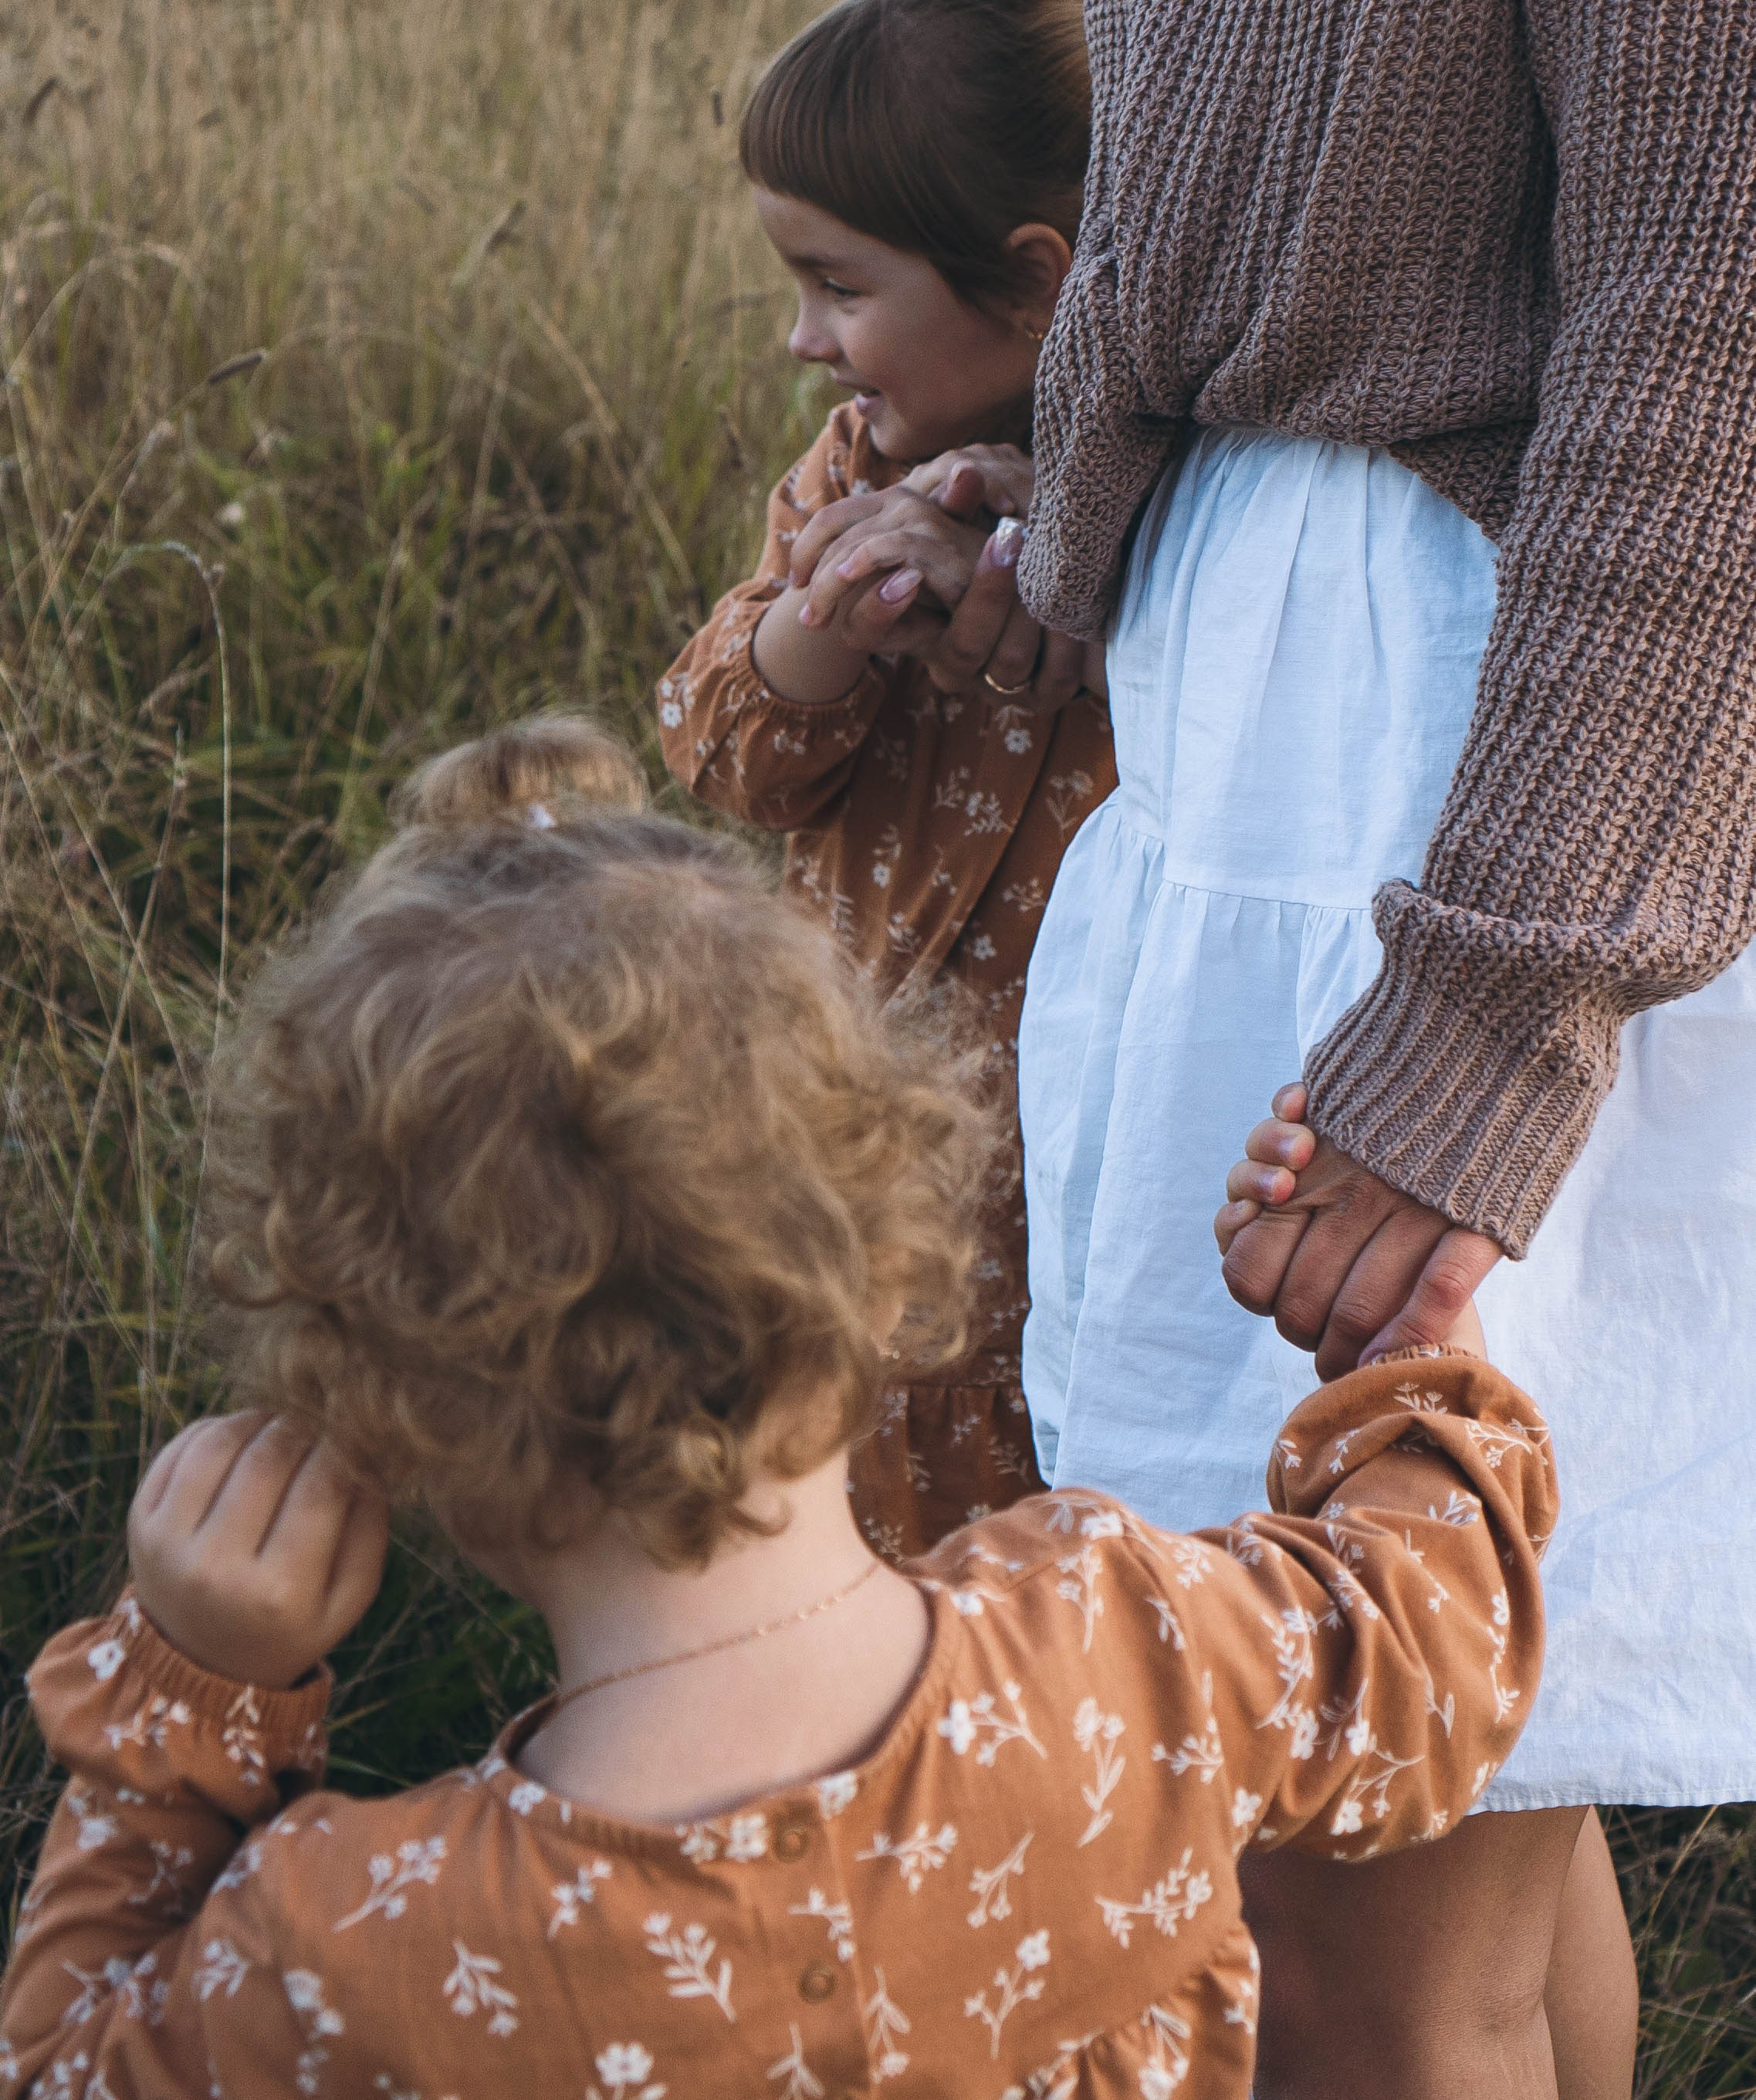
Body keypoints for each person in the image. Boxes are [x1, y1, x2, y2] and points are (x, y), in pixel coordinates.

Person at [1, 715, 1558, 2100]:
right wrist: (1403, 1347)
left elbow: (68, 2063)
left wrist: (191, 1705)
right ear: (889, 1252)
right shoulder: (1124, 1650)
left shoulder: (364, 1949)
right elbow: (1430, 1647)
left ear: (384, 1419)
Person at [979, 0, 1756, 2088]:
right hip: (1236, 725)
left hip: (1484, 770)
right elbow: (1190, 214)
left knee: (1352, 1888)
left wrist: (1486, 1015)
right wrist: (1035, 551)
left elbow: (1705, 325)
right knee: (1471, 1847)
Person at [658, 0, 1115, 1557]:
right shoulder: (856, 469)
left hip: (1055, 1195)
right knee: (835, 1504)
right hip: (843, 1148)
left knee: (1041, 1549)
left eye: (840, 288)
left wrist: (1076, 567)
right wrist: (830, 615)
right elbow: (726, 752)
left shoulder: (1179, 503)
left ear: (1037, 281)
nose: (804, 337)